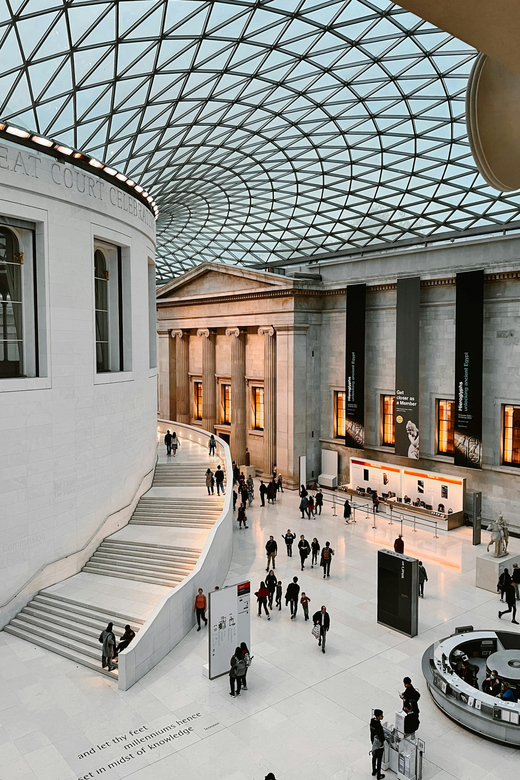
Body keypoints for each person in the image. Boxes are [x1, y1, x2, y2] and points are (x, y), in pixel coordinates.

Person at [370, 709, 387, 780]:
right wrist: (384, 740)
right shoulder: (378, 726)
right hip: (379, 744)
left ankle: (374, 771)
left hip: (373, 742)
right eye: (381, 715)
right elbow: (381, 736)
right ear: (378, 716)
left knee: (374, 756)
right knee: (379, 759)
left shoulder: (372, 721)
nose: (382, 716)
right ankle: (379, 775)